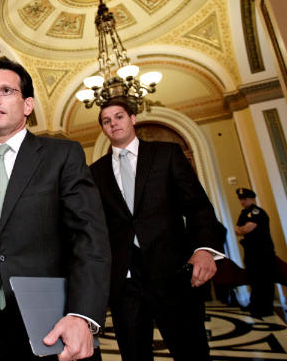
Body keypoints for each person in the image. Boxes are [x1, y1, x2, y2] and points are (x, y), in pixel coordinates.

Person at [0, 58, 111, 361]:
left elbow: (89, 238)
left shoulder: (61, 155)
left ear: (28, 105)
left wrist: (82, 315)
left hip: (51, 320)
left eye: (6, 91)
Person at [89, 98, 225, 361]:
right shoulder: (95, 172)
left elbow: (198, 207)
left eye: (119, 116)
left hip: (173, 274)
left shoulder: (166, 154)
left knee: (191, 352)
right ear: (103, 129)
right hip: (125, 282)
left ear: (133, 119)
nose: (113, 123)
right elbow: (96, 227)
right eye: (106, 121)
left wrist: (204, 250)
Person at [235, 187, 276, 318]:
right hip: (250, 251)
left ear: (251, 198)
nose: (242, 201)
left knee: (264, 279)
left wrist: (242, 229)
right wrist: (242, 229)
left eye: (244, 198)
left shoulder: (256, 212)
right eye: (240, 199)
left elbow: (247, 228)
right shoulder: (244, 213)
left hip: (262, 251)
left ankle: (266, 308)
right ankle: (255, 304)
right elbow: (236, 230)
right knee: (253, 278)